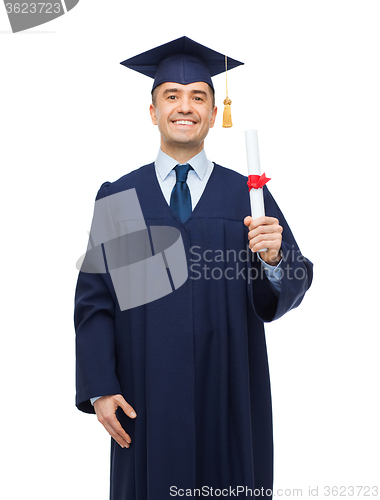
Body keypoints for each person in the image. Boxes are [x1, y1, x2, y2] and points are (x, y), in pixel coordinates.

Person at [74, 36, 313, 500]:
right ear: (153, 111)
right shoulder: (120, 197)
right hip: (145, 399)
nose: (185, 107)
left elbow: (297, 276)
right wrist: (100, 387)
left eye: (198, 97)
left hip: (228, 394)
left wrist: (274, 261)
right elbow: (95, 303)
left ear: (212, 112)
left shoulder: (248, 195)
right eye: (172, 96)